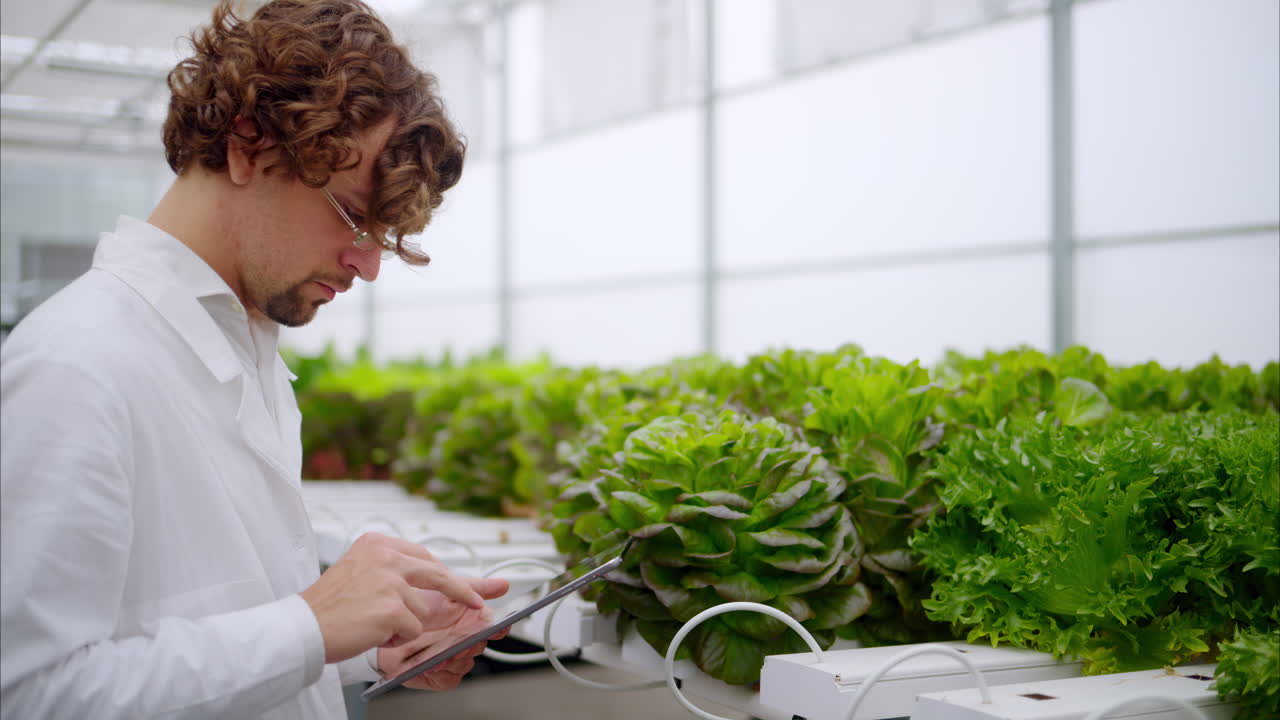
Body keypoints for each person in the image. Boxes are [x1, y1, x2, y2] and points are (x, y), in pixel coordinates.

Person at [0, 1, 508, 717]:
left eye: (383, 237)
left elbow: (228, 619)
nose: (367, 266)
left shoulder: (250, 347)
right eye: (353, 218)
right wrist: (310, 626)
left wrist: (364, 646)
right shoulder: (75, 366)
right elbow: (31, 694)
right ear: (249, 146)